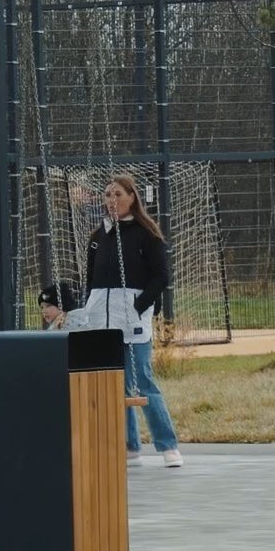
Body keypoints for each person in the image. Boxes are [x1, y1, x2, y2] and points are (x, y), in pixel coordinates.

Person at [84, 173, 184, 468]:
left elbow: (161, 277)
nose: (111, 200)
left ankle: (168, 445)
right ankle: (129, 445)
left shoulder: (146, 235)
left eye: (118, 194)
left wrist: (138, 305)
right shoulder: (98, 237)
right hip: (101, 323)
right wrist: (89, 308)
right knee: (112, 385)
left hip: (132, 322)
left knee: (142, 382)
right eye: (107, 195)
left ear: (132, 198)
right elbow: (91, 280)